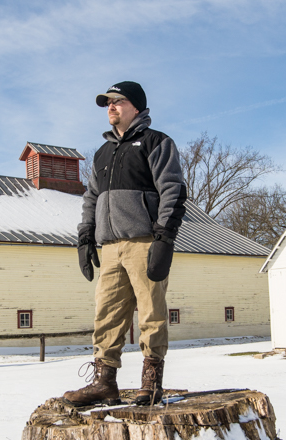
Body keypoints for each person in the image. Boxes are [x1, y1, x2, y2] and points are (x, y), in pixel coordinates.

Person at [63, 81, 187, 408]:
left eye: (117, 101)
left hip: (144, 241)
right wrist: (85, 237)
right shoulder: (103, 153)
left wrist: (164, 238)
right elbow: (91, 198)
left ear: (136, 106)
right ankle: (104, 382)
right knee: (106, 314)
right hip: (110, 246)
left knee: (151, 312)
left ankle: (152, 382)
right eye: (108, 103)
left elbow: (173, 191)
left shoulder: (156, 142)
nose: (111, 107)